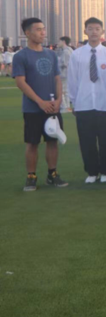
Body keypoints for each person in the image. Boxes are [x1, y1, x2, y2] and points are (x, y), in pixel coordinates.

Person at [14, 18, 68, 191]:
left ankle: (52, 174)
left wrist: (58, 100)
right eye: (38, 29)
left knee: (52, 141)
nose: (43, 32)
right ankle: (31, 176)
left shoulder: (51, 54)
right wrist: (40, 102)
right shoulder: (21, 56)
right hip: (33, 109)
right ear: (27, 33)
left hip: (52, 107)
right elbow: (20, 82)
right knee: (32, 143)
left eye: (43, 29)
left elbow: (57, 79)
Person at [68, 17, 106, 184]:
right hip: (84, 103)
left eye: (97, 28)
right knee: (86, 141)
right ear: (85, 31)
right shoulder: (77, 54)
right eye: (90, 28)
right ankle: (92, 172)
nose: (94, 32)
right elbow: (72, 80)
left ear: (102, 31)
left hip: (104, 104)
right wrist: (74, 102)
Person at [57, 36, 73, 112]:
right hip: (68, 74)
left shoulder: (66, 52)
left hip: (64, 74)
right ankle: (67, 107)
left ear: (63, 42)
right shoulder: (70, 50)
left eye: (59, 41)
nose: (58, 43)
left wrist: (58, 64)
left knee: (62, 91)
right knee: (66, 91)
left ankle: (64, 107)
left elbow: (65, 64)